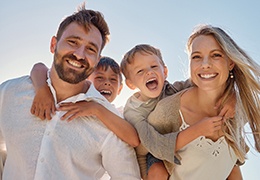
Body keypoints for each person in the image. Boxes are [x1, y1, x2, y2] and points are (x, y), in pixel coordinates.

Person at [0, 4, 141, 180]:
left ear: (97, 60)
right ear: (53, 44)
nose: (80, 54)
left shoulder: (110, 122)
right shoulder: (9, 93)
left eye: (91, 49)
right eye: (72, 42)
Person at [132, 24, 260, 180]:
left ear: (231, 62)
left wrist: (234, 95)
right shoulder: (168, 111)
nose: (205, 64)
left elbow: (231, 165)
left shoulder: (240, 107)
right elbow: (139, 152)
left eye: (216, 55)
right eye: (196, 57)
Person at [120, 44, 237, 180]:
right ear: (130, 84)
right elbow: (152, 144)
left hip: (175, 138)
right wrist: (198, 130)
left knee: (232, 162)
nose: (149, 73)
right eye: (140, 71)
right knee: (157, 172)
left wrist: (231, 96)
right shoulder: (133, 111)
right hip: (151, 150)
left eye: (153, 67)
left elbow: (206, 82)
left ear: (165, 72)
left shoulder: (174, 89)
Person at [30, 56, 139, 147]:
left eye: (113, 79)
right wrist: (42, 89)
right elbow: (39, 67)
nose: (107, 83)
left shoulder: (116, 113)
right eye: (100, 78)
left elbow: (133, 140)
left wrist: (96, 109)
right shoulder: (77, 98)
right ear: (86, 80)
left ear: (120, 89)